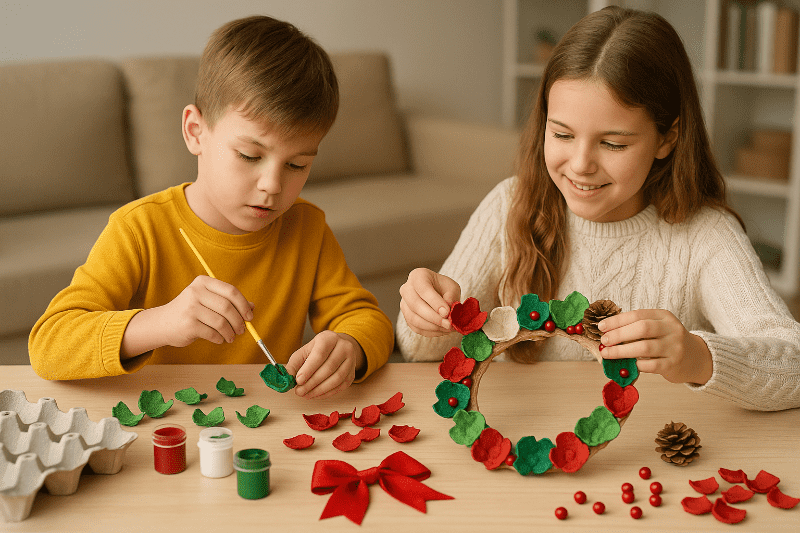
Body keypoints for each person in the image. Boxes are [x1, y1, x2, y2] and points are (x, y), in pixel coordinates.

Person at [397, 6, 800, 411]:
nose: (580, 164)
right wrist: (424, 312)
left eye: (613, 143)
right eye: (562, 134)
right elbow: (417, 351)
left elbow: (793, 364)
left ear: (667, 138)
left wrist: (698, 357)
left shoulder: (704, 235)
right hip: (531, 444)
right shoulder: (509, 206)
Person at [29, 15, 393, 399]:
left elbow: (368, 319)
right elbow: (49, 345)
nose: (272, 185)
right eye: (250, 155)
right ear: (195, 132)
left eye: (296, 165)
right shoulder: (139, 229)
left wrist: (350, 347)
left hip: (266, 432)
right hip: (163, 431)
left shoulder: (308, 227)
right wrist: (160, 323)